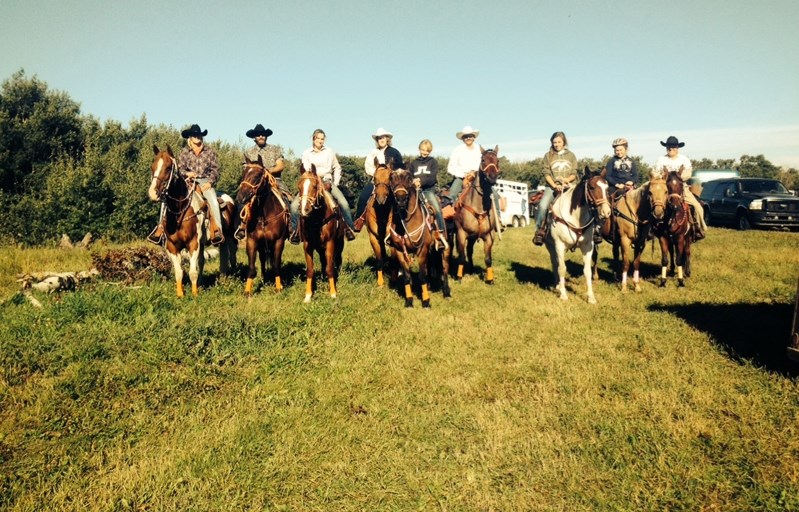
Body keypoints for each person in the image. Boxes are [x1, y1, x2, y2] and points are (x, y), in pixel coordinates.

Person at [147, 123, 224, 246]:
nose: (196, 137)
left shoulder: (210, 152)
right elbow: (180, 169)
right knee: (167, 199)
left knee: (213, 201)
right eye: (194, 135)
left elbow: (215, 169)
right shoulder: (184, 152)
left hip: (205, 182)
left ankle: (217, 231)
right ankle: (160, 228)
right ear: (190, 137)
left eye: (198, 135)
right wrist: (188, 174)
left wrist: (210, 182)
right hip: (188, 182)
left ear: (201, 137)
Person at [290, 128, 356, 244]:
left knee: (343, 203)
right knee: (294, 206)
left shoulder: (329, 151)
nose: (320, 141)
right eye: (318, 138)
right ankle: (296, 232)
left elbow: (337, 167)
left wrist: (335, 183)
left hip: (327, 182)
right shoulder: (306, 153)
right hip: (312, 183)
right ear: (313, 139)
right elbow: (305, 171)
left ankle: (349, 229)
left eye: (322, 139)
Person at [235, 123, 287, 241]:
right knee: (241, 199)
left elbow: (281, 165)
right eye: (258, 135)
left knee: (288, 200)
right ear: (254, 137)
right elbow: (246, 169)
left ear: (266, 136)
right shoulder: (249, 152)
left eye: (263, 134)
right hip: (254, 182)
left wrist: (267, 171)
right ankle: (241, 226)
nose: (261, 136)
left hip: (274, 180)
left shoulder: (275, 149)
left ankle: (291, 228)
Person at [651, 135, 707, 240]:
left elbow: (688, 173)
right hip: (665, 189)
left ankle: (699, 228)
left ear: (677, 148)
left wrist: (677, 179)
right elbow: (655, 172)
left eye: (673, 147)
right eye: (668, 147)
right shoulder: (661, 160)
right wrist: (662, 177)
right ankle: (651, 229)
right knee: (653, 204)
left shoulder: (684, 159)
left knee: (698, 207)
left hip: (681, 188)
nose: (670, 149)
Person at [533, 131, 579, 246]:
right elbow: (546, 173)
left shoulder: (571, 155)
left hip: (568, 186)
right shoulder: (548, 156)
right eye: (554, 142)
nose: (557, 144)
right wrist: (554, 185)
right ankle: (539, 231)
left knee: (583, 205)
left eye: (559, 142)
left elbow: (574, 173)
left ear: (564, 142)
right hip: (552, 187)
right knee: (543, 206)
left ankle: (590, 231)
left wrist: (567, 181)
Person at [447, 125, 501, 220]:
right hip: (462, 177)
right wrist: (464, 174)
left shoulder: (479, 150)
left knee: (495, 195)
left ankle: (498, 218)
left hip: (478, 177)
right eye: (466, 136)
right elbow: (451, 167)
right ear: (462, 139)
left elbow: (484, 165)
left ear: (474, 137)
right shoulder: (457, 150)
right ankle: (452, 219)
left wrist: (475, 172)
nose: (468, 138)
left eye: (470, 136)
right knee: (452, 194)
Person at [354, 128, 404, 229]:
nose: (381, 140)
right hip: (376, 181)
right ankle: (358, 220)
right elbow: (368, 167)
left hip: (392, 182)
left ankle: (402, 223)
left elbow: (401, 168)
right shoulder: (373, 153)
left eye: (383, 138)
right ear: (377, 140)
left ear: (387, 139)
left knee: (400, 198)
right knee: (364, 196)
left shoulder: (395, 153)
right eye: (379, 138)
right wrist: (377, 175)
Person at [409, 139, 446, 235]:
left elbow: (432, 178)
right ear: (419, 149)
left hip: (428, 190)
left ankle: (441, 231)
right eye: (423, 150)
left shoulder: (433, 162)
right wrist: (413, 181)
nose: (424, 152)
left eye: (427, 150)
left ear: (430, 151)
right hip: (415, 190)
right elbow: (410, 176)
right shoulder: (414, 163)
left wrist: (420, 182)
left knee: (436, 208)